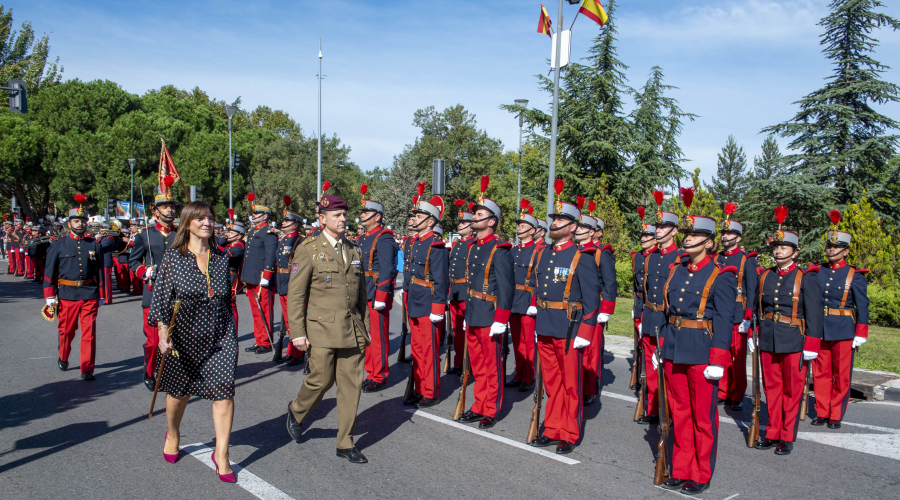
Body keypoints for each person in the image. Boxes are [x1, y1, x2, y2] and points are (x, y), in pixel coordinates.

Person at [150, 201, 238, 483]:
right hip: (184, 336)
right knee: (179, 393)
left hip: (220, 334)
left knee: (224, 392)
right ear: (187, 223)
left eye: (210, 218)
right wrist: (163, 333)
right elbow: (162, 299)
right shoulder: (173, 257)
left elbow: (227, 298)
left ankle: (221, 455)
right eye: (199, 219)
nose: (206, 223)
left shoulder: (222, 257)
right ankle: (173, 434)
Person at [657, 203, 737, 496]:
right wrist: (662, 347)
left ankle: (701, 473)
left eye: (695, 235)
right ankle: (681, 468)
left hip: (703, 350)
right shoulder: (676, 269)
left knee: (702, 417)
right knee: (680, 412)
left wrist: (718, 358)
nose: (687, 239)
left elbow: (725, 320)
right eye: (687, 234)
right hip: (675, 348)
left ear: (709, 242)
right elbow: (668, 313)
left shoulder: (721, 275)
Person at [285, 191, 370, 464]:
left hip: (351, 329)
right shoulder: (308, 249)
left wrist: (365, 330)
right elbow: (296, 295)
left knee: (351, 387)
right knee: (321, 380)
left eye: (344, 214)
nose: (343, 219)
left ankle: (345, 442)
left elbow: (362, 297)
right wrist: (297, 333)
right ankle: (297, 411)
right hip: (321, 329)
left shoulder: (354, 250)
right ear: (322, 219)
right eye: (337, 215)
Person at [526, 182, 599, 454]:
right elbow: (539, 287)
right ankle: (552, 427)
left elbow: (593, 302)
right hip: (546, 324)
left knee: (570, 385)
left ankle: (568, 432)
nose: (554, 223)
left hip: (569, 328)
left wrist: (585, 332)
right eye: (553, 218)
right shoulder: (544, 253)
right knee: (551, 382)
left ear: (572, 226)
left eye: (560, 219)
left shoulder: (583, 257)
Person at [750, 206, 823, 455]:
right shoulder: (765, 276)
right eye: (776, 247)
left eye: (784, 247)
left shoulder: (806, 278)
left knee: (792, 391)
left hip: (794, 338)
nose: (778, 251)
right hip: (769, 338)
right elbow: (758, 308)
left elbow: (814, 314)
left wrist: (812, 345)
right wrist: (753, 333)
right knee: (771, 388)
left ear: (795, 251)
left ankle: (786, 436)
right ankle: (771, 432)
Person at [458, 177, 513, 428]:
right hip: (473, 313)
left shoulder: (499, 249)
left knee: (492, 367)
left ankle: (491, 408)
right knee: (477, 365)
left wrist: (501, 319)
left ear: (491, 221)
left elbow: (506, 287)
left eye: (479, 214)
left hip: (490, 315)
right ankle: (478, 404)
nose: (474, 218)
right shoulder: (472, 247)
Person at [812, 211, 869, 429]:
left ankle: (836, 413)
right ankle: (822, 411)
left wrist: (861, 333)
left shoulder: (855, 274)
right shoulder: (817, 272)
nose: (831, 250)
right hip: (821, 328)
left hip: (844, 329)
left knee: (841, 375)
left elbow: (862, 305)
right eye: (829, 247)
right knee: (821, 372)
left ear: (845, 250)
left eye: (836, 247)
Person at [42, 195, 105, 381]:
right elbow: (49, 272)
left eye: (83, 221)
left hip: (89, 293)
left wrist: (101, 294)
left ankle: (87, 368)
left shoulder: (94, 244)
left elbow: (100, 271)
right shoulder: (59, 244)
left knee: (89, 333)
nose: (80, 224)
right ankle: (63, 355)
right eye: (76, 221)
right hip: (67, 294)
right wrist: (49, 296)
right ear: (69, 223)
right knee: (66, 331)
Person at [637, 191, 684, 425]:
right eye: (657, 226)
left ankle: (670, 411)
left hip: (668, 321)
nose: (658, 230)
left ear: (674, 231)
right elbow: (641, 291)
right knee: (651, 368)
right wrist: (639, 319)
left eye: (663, 227)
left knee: (668, 370)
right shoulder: (650, 257)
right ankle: (654, 409)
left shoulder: (681, 258)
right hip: (649, 316)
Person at [401, 188, 449, 408]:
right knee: (417, 351)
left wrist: (438, 309)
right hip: (414, 302)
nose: (415, 219)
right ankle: (419, 388)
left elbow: (441, 280)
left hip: (429, 304)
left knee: (428, 351)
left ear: (430, 222)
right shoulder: (413, 242)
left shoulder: (436, 246)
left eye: (419, 217)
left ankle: (430, 391)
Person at [130, 191, 179, 390]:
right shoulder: (145, 235)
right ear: (155, 210)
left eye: (172, 206)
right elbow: (133, 261)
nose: (170, 209)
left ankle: (171, 373)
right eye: (165, 206)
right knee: (152, 341)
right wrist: (144, 271)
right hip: (153, 294)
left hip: (177, 294)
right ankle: (149, 372)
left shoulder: (182, 233)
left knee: (175, 338)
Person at [714, 203, 759, 411]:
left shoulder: (746, 260)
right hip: (718, 312)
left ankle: (737, 394)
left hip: (738, 315)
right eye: (723, 233)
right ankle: (722, 391)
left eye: (730, 233)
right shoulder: (717, 258)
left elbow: (752, 291)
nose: (725, 237)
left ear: (738, 238)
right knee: (720, 353)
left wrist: (748, 319)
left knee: (737, 358)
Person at [357, 185, 399, 391]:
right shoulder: (363, 238)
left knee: (378, 336)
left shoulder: (383, 237)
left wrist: (381, 295)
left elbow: (388, 269)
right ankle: (370, 370)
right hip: (363, 291)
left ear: (378, 217)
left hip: (376, 294)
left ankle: (379, 374)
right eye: (362, 212)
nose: (362, 215)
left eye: (367, 212)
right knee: (366, 336)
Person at [580, 205, 617, 405]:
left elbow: (610, 282)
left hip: (595, 307)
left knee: (592, 350)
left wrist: (606, 310)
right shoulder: (575, 250)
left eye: (582, 226)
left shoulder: (602, 252)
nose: (577, 229)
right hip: (576, 307)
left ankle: (590, 389)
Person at [506, 199, 541, 392]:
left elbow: (539, 280)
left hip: (528, 300)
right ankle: (519, 372)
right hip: (513, 299)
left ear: (533, 230)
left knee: (528, 342)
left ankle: (529, 375)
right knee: (517, 339)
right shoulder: (513, 250)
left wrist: (535, 302)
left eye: (524, 226)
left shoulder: (538, 251)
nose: (519, 228)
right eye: (519, 225)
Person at [241, 193, 277, 354]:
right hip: (251, 276)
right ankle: (258, 339)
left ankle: (267, 342)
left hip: (262, 277)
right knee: (255, 311)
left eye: (256, 213)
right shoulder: (254, 231)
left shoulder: (268, 232)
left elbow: (270, 255)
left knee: (264, 310)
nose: (253, 216)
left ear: (265, 216)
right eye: (253, 213)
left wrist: (267, 276)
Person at [275, 197, 306, 365]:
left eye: (286, 221)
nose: (283, 223)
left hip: (293, 285)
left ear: (295, 224)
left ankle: (298, 354)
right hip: (282, 283)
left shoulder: (299, 241)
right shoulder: (283, 240)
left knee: (295, 320)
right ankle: (292, 350)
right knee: (288, 321)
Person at [447, 201, 475, 374]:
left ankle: (469, 362)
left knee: (469, 331)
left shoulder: (474, 245)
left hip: (466, 292)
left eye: (464, 223)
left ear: (472, 226)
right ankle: (459, 361)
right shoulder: (457, 245)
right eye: (460, 222)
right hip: (455, 292)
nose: (460, 225)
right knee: (457, 331)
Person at [630, 208, 656, 390]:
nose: (643, 239)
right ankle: (640, 374)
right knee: (639, 344)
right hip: (639, 303)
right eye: (642, 236)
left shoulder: (656, 257)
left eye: (647, 236)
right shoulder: (637, 256)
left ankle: (648, 379)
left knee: (650, 346)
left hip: (651, 305)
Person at [222, 214, 245, 330]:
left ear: (238, 236)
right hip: (223, 277)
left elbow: (227, 253)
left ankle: (233, 331)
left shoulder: (239, 246)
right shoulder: (228, 244)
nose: (228, 234)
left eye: (231, 233)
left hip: (231, 278)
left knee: (231, 306)